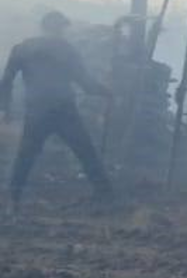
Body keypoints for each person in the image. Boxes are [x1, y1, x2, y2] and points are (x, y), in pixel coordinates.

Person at [0, 11, 114, 207]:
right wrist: (107, 92)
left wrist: (5, 108)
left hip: (37, 110)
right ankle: (105, 195)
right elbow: (85, 83)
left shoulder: (22, 48)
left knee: (26, 154)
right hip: (64, 110)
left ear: (43, 27)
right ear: (59, 28)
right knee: (85, 151)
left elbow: (7, 81)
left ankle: (13, 197)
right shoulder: (66, 49)